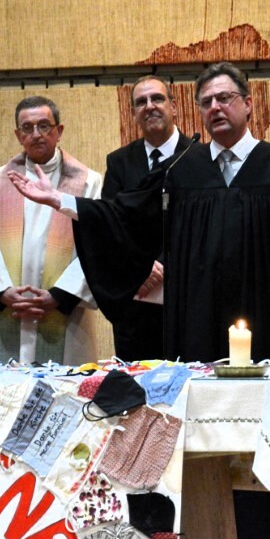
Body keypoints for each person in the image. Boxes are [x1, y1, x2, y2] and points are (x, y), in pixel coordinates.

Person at [8, 62, 270, 539]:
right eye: (206, 102)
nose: (216, 108)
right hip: (197, 330)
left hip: (267, 329)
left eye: (225, 98)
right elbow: (125, 212)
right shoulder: (183, 171)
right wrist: (61, 201)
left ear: (248, 104)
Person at [0, 95, 102, 365]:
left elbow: (97, 245)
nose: (36, 134)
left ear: (59, 131)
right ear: (18, 135)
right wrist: (1, 292)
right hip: (10, 308)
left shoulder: (88, 182)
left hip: (65, 314)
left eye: (44, 126)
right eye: (27, 128)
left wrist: (60, 295)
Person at [101, 75, 193, 361]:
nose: (150, 106)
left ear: (174, 106)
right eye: (141, 102)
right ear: (133, 114)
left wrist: (164, 264)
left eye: (157, 99)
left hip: (187, 297)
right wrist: (141, 266)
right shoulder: (119, 162)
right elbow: (110, 225)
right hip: (136, 302)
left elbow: (202, 225)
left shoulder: (199, 156)